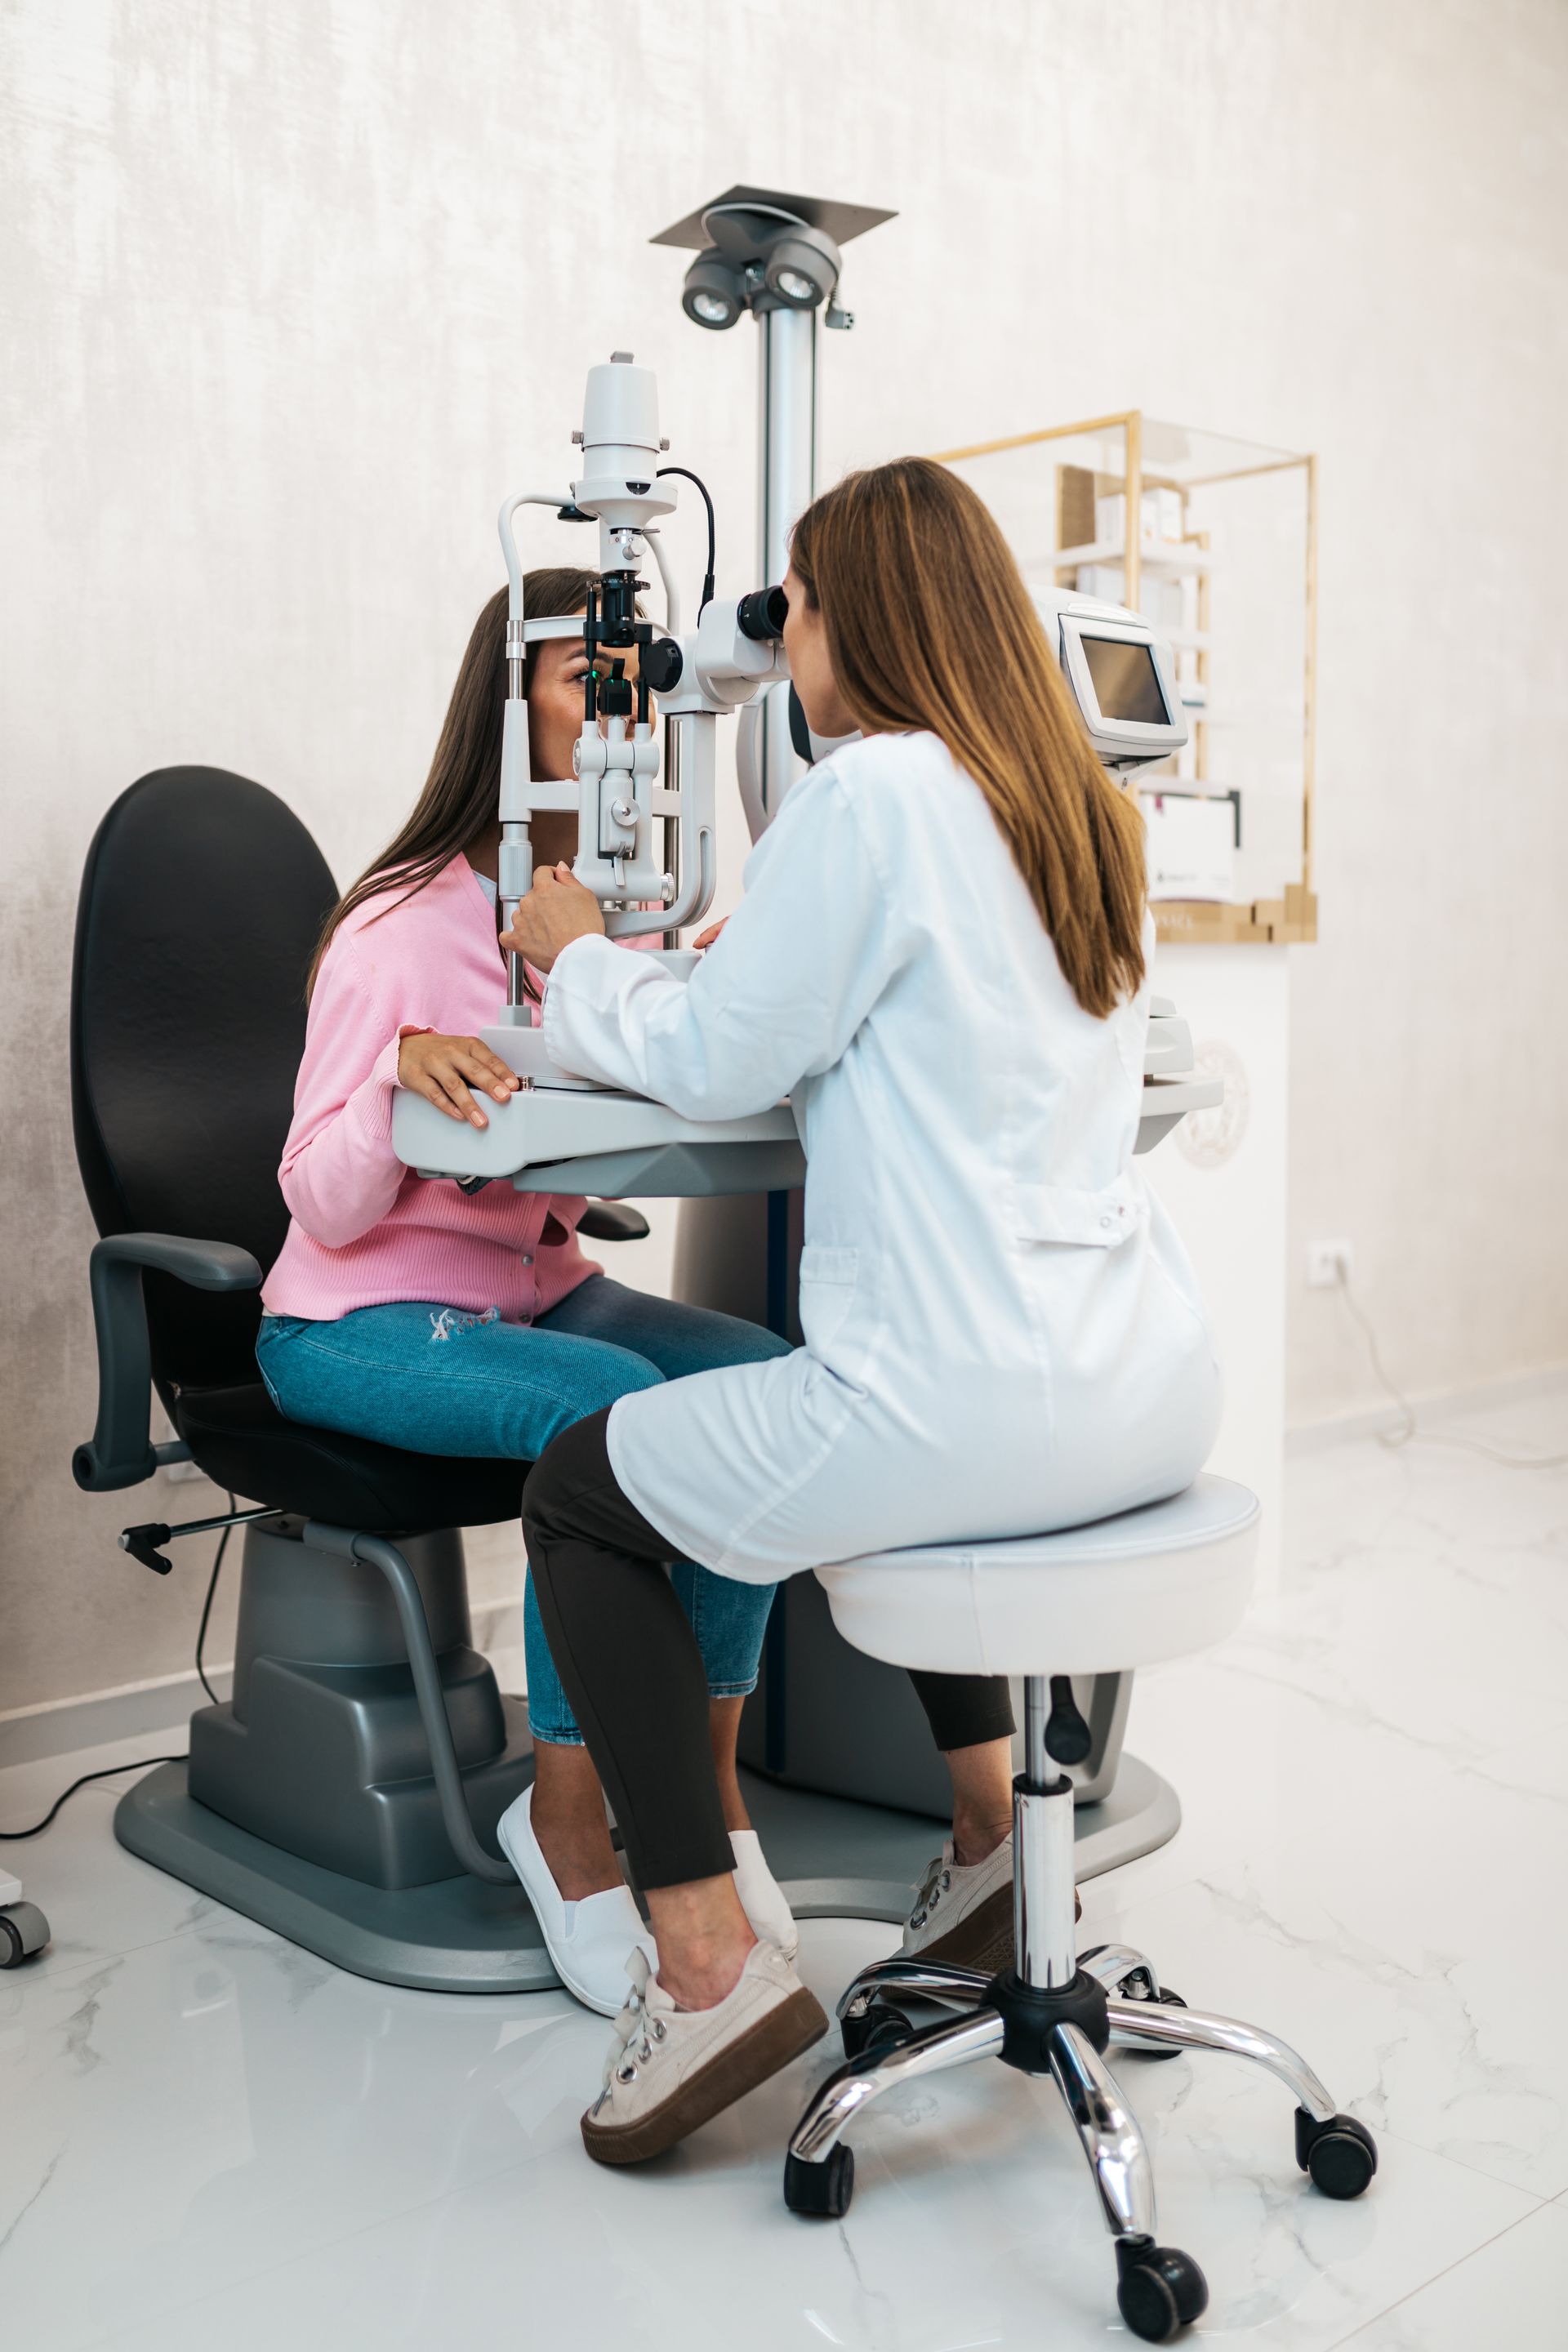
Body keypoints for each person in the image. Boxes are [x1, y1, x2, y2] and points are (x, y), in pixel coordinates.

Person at [501, 457, 1222, 2167]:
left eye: (797, 605)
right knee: (768, 1463)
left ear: (853, 618)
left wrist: (581, 947)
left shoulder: (879, 791)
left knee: (585, 1490)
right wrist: (755, 954)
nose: (787, 637)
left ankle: (705, 1950)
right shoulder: (1073, 809)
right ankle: (990, 1840)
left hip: (959, 1408)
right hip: (1141, 1392)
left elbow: (719, 1057)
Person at [255, 567, 795, 2016]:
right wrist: (393, 1076)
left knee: (755, 1382)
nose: (622, 711)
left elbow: (586, 1121)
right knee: (610, 1417)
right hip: (352, 1323)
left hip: (533, 1291)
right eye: (584, 681)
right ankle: (562, 1821)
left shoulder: (593, 913)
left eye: (633, 684)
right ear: (509, 705)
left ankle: (710, 1796)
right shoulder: (397, 922)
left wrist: (698, 990)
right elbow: (314, 1193)